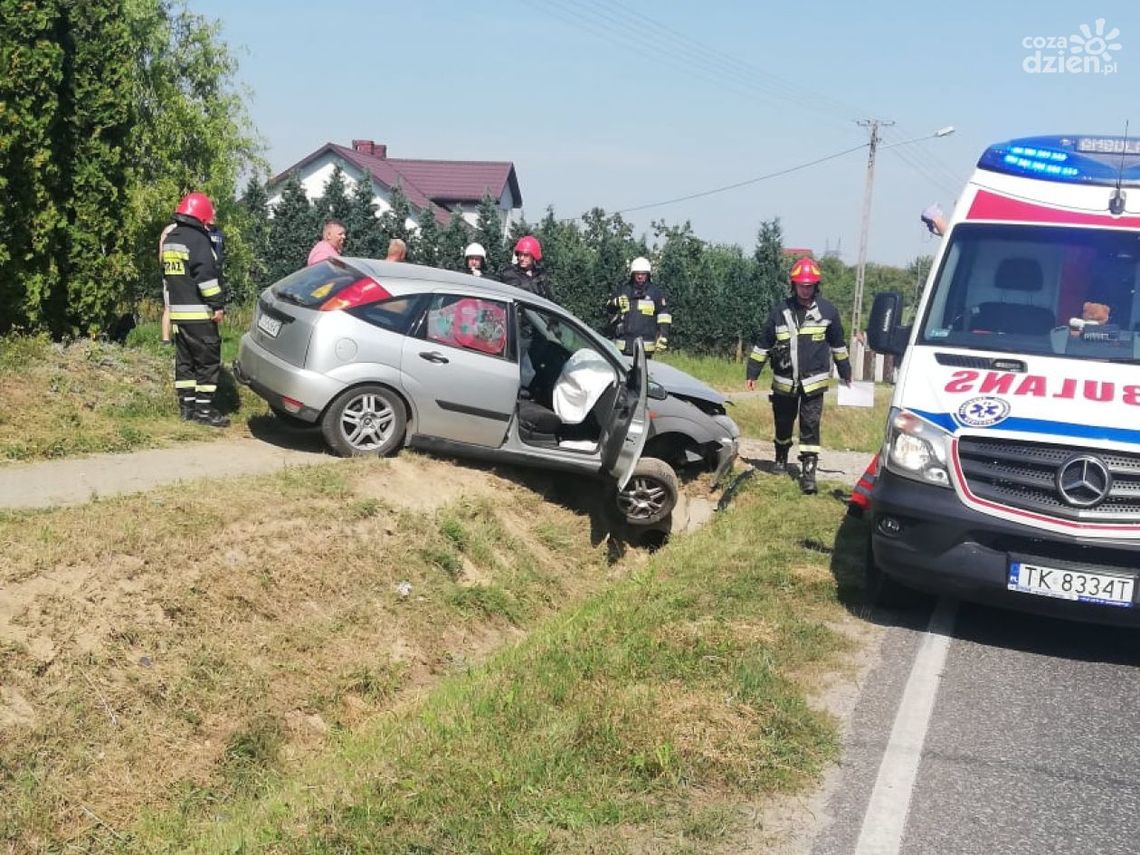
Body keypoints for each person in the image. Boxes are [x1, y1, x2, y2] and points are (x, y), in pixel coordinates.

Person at [745, 257, 851, 494]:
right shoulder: (779, 312)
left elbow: (838, 345)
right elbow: (763, 344)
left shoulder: (828, 311)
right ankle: (781, 459)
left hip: (814, 382)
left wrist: (846, 371)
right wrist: (752, 371)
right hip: (784, 382)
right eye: (802, 285)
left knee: (810, 426)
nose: (806, 289)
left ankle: (808, 473)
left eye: (810, 285)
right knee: (783, 423)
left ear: (816, 285)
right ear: (793, 285)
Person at [161, 191, 229, 427]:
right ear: (201, 215)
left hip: (178, 313)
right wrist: (217, 305)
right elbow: (206, 278)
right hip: (199, 313)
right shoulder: (198, 240)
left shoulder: (171, 238)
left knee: (185, 362)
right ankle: (204, 410)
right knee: (207, 361)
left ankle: (187, 408)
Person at [606, 256, 671, 358]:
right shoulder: (623, 290)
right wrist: (615, 302)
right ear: (632, 274)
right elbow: (609, 310)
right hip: (623, 346)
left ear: (648, 275)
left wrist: (663, 335)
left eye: (643, 274)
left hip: (645, 348)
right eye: (637, 274)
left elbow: (664, 315)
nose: (640, 277)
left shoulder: (655, 293)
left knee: (643, 373)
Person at [499, 235, 554, 300]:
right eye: (520, 254)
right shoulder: (509, 273)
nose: (522, 258)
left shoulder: (541, 276)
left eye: (526, 255)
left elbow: (550, 300)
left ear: (534, 256)